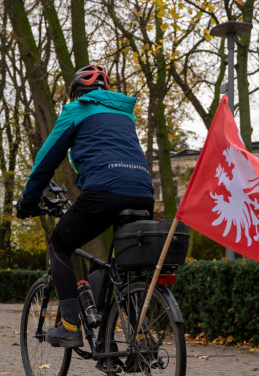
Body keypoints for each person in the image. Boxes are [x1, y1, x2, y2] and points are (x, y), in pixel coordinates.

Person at [16, 64, 155, 347]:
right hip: (143, 192)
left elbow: (46, 160)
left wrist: (28, 201)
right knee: (118, 265)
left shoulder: (76, 109)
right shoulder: (123, 114)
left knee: (59, 244)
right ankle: (128, 335)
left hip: (104, 189)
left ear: (77, 92)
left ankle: (69, 326)